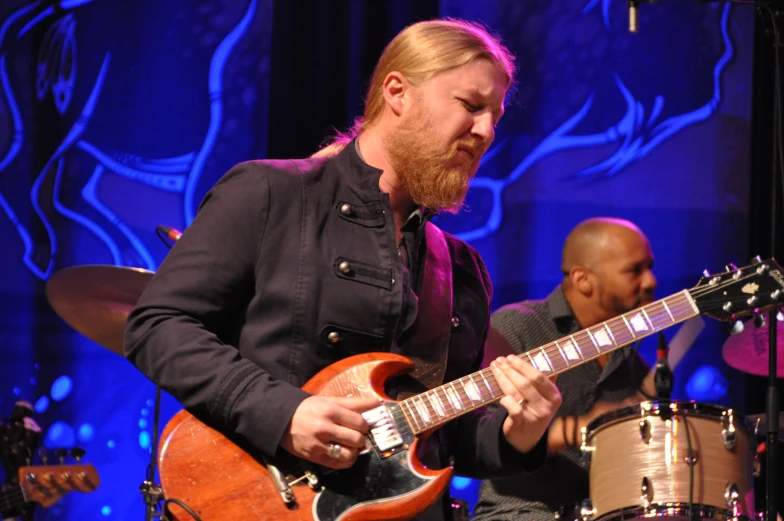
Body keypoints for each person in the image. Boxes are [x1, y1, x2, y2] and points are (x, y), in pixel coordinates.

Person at [123, 18, 562, 521]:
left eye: (495, 116)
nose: (486, 131)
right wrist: (284, 413)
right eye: (470, 105)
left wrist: (519, 431)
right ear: (397, 92)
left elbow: (441, 438)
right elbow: (157, 324)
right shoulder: (270, 193)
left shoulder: (460, 268)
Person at [472, 217, 657, 521]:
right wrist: (587, 427)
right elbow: (485, 434)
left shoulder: (633, 364)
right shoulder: (517, 327)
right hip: (521, 512)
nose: (651, 281)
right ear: (583, 279)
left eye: (649, 267)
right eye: (634, 270)